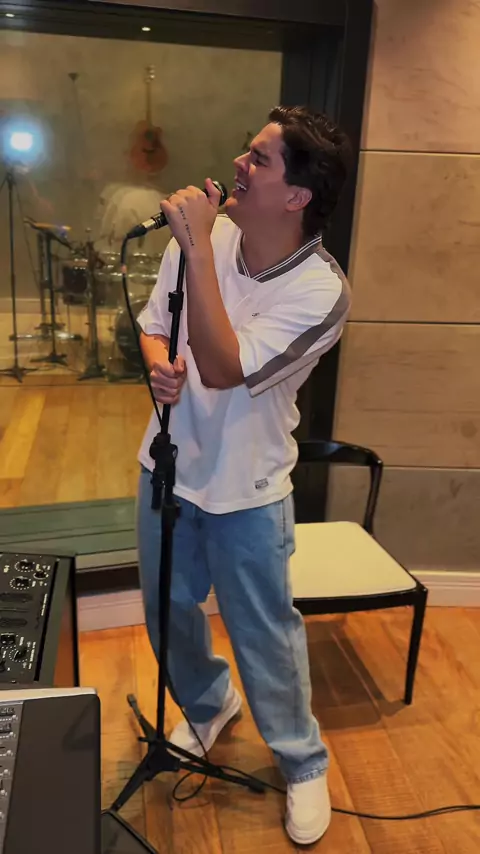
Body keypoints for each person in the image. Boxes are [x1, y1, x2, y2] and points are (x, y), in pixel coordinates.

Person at [136, 105, 352, 845]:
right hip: (168, 466)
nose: (238, 163)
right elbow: (155, 324)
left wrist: (197, 247)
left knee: (265, 634)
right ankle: (208, 703)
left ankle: (302, 761)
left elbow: (226, 367)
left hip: (248, 488)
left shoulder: (320, 292)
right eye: (246, 150)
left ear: (297, 196)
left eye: (259, 158)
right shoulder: (208, 237)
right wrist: (157, 366)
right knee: (166, 612)